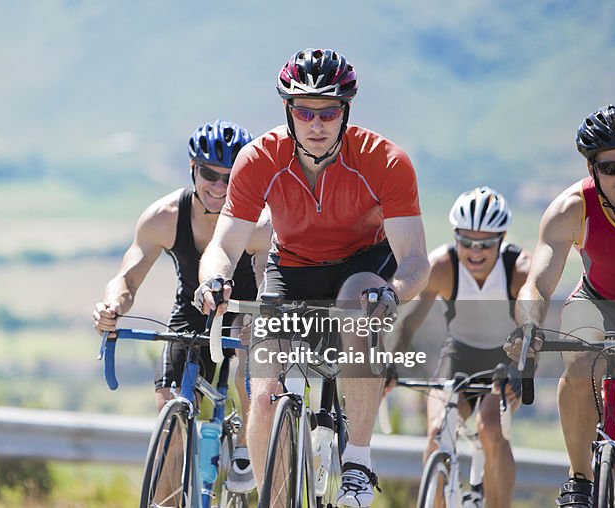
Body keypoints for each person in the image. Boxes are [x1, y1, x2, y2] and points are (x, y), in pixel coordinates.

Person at [194, 48, 430, 507]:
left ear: (346, 112)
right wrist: (214, 281)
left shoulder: (386, 161)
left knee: (354, 308)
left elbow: (416, 261)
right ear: (288, 111)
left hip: (364, 266)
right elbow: (223, 247)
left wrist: (394, 293)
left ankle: (358, 463)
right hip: (293, 268)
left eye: (329, 112)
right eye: (304, 111)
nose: (316, 124)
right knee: (261, 395)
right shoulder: (258, 158)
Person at [93, 119, 273, 494]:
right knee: (169, 427)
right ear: (193, 168)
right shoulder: (164, 217)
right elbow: (127, 278)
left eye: (231, 177)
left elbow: (268, 288)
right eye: (210, 174)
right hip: (192, 314)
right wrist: (112, 306)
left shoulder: (258, 223)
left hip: (246, 309)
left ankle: (246, 446)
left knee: (250, 343)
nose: (220, 187)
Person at [505, 104, 615, 507]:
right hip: (596, 302)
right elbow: (538, 282)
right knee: (580, 358)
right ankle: (580, 479)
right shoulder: (571, 208)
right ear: (592, 170)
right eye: (610, 168)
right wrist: (529, 328)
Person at [391, 186, 529, 508]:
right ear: (455, 237)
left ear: (502, 237)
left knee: (491, 429)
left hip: (505, 360)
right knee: (439, 433)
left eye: (485, 244)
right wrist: (388, 363)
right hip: (459, 355)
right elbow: (408, 323)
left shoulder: (519, 270)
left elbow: (532, 329)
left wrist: (521, 371)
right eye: (465, 241)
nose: (474, 252)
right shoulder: (442, 266)